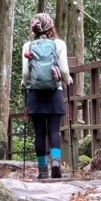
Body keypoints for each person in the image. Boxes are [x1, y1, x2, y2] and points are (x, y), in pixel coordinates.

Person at [21, 13, 73, 179]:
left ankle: (42, 170)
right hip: (54, 92)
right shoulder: (59, 44)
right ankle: (56, 162)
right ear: (51, 26)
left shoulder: (28, 45)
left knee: (39, 134)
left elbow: (25, 72)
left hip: (35, 93)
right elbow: (64, 70)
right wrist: (67, 80)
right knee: (54, 131)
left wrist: (25, 83)